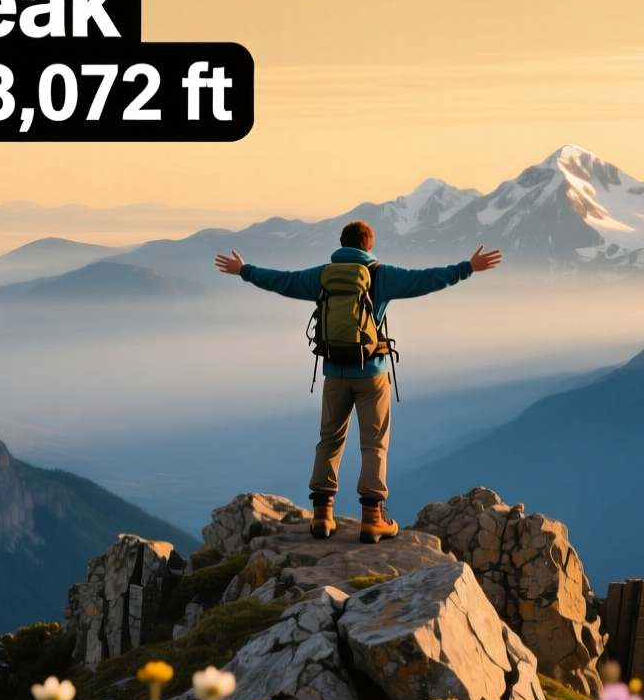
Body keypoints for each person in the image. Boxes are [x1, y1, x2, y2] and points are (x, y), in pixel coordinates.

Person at [215, 220, 502, 543]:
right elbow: (426, 279)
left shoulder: (321, 276)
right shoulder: (382, 274)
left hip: (334, 373)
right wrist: (468, 268)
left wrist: (245, 270)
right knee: (374, 444)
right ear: (369, 245)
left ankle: (322, 518)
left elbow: (282, 281)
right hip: (372, 373)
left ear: (342, 244)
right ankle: (372, 520)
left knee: (329, 440)